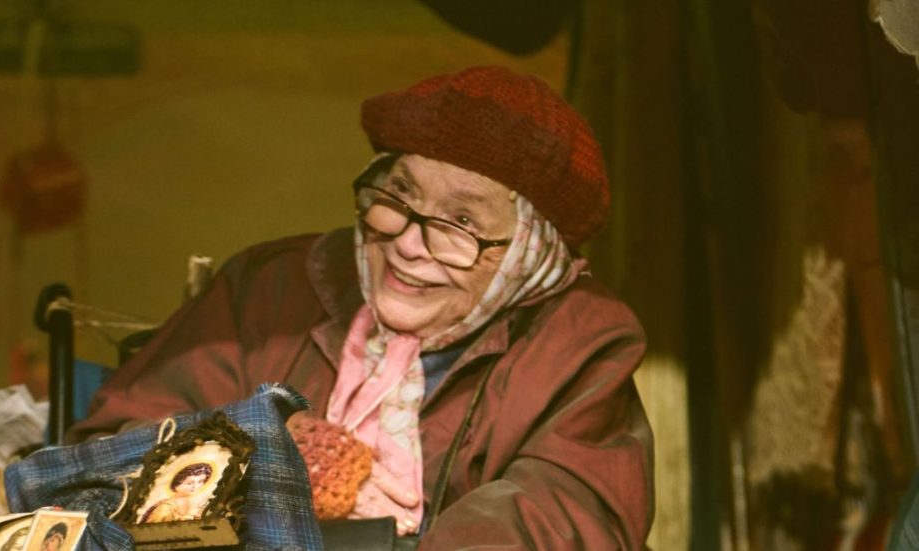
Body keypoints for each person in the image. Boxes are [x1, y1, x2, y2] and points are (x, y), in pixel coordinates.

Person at [68, 65, 653, 549]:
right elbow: (101, 456)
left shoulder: (577, 337)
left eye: (461, 222)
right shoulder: (270, 288)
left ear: (528, 253)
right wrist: (268, 461)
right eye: (399, 194)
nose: (408, 244)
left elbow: (567, 513)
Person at [139, 462, 214, 523]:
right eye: (189, 483)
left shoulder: (194, 503)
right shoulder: (165, 508)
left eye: (200, 481)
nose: (195, 486)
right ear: (176, 485)